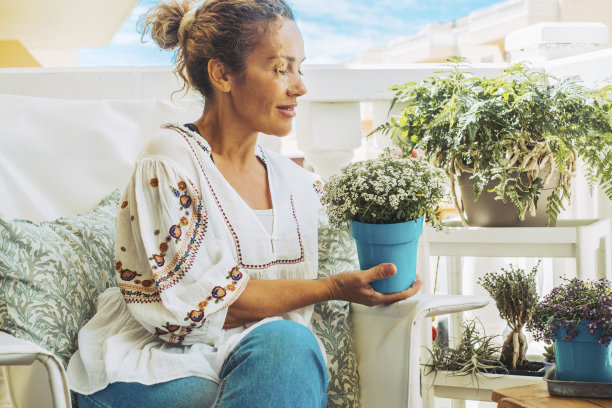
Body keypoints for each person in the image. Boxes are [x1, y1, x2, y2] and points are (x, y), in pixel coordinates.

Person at [67, 0, 423, 407]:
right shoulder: (169, 160)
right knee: (281, 355)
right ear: (222, 74)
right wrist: (332, 288)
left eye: (300, 67)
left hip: (255, 362)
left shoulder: (294, 182)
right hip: (150, 369)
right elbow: (205, 308)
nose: (299, 86)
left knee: (284, 359)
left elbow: (358, 219)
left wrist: (399, 200)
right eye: (279, 69)